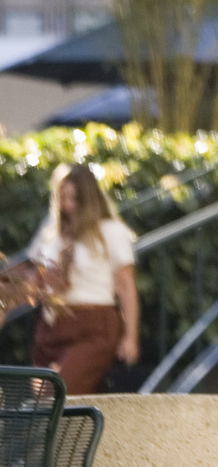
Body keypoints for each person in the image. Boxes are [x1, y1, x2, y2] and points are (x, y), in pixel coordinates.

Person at [29, 163, 140, 395]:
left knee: (56, 392)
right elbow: (35, 275)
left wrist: (130, 337)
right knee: (55, 400)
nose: (68, 205)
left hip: (93, 326)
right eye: (62, 197)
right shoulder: (50, 231)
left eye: (74, 198)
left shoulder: (110, 231)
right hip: (52, 326)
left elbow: (126, 286)